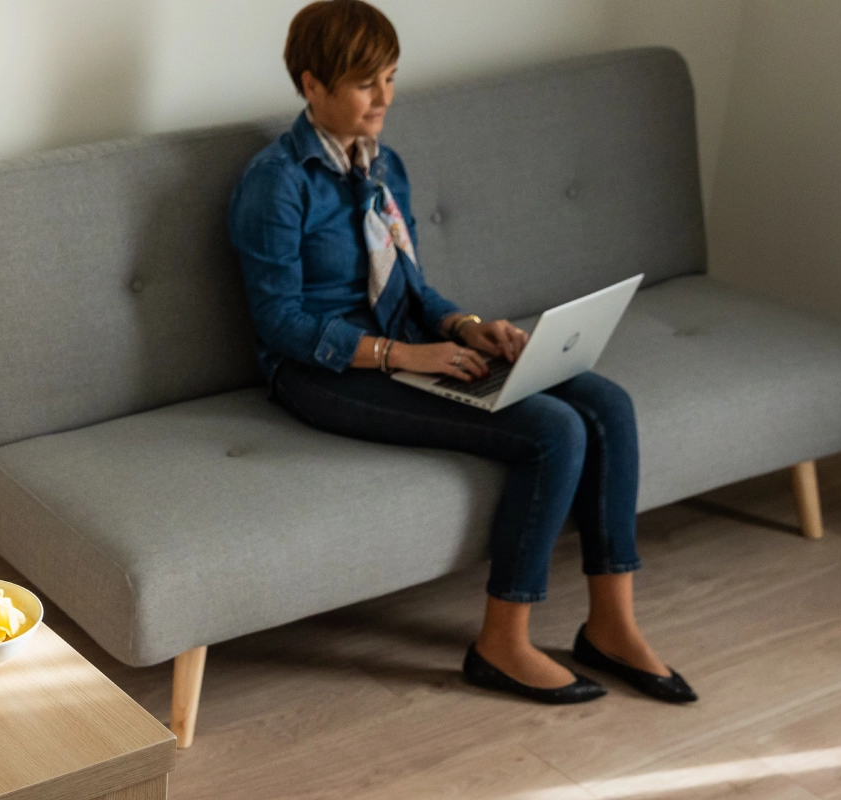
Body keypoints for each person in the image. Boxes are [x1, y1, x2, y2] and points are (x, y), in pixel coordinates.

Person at [228, 0, 696, 705]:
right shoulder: (277, 181)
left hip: (406, 348)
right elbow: (281, 324)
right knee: (553, 429)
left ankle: (611, 625)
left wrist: (465, 327)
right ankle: (502, 643)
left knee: (606, 402)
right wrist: (404, 358)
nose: (385, 98)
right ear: (312, 84)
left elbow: (409, 282)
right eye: (365, 84)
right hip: (319, 373)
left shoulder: (383, 165)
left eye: (389, 77)